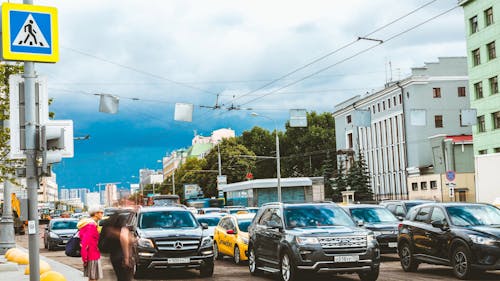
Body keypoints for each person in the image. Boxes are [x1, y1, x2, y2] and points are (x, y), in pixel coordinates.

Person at [101, 211, 134, 281]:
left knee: (120, 277)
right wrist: (127, 258)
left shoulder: (111, 230)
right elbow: (124, 238)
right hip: (122, 256)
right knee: (126, 278)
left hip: (114, 256)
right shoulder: (122, 229)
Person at [78, 206, 104, 281]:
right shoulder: (91, 226)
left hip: (94, 254)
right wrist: (85, 259)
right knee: (93, 279)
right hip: (91, 256)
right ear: (96, 214)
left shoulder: (92, 224)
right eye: (101, 212)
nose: (102, 214)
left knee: (93, 278)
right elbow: (85, 243)